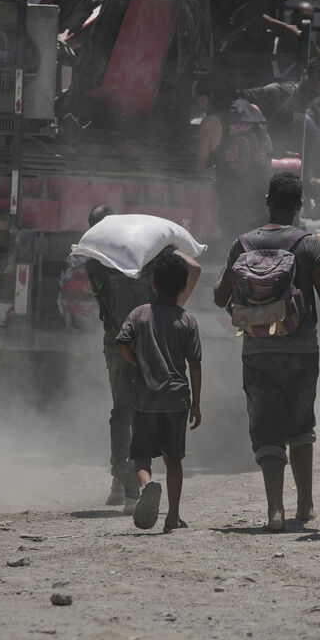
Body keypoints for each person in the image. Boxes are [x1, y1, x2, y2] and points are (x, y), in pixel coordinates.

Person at [213, 172, 320, 531]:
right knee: (301, 424)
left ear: (268, 200)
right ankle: (305, 504)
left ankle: (275, 510)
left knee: (266, 427)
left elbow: (220, 297)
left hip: (256, 351)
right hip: (302, 350)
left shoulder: (242, 244)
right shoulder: (309, 245)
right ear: (300, 206)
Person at [83, 205, 202, 511]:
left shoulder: (94, 265)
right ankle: (134, 489)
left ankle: (121, 485)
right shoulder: (146, 254)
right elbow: (194, 267)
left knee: (122, 411)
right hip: (152, 341)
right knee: (144, 412)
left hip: (118, 344)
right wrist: (174, 307)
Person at [115, 252, 203, 534]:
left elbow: (121, 343)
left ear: (153, 285)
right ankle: (173, 517)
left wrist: (139, 362)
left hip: (146, 397)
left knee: (141, 456)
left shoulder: (139, 314)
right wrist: (197, 404)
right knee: (173, 458)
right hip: (177, 398)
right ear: (181, 288)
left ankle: (145, 485)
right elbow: (195, 365)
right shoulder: (187, 321)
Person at [195, 78, 273, 242]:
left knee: (236, 245)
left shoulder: (211, 122)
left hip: (234, 196)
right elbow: (269, 149)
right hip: (263, 189)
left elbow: (201, 165)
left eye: (203, 100)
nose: (201, 106)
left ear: (213, 96)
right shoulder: (254, 109)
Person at [238, 56, 320, 161]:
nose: (317, 90)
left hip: (281, 163)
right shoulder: (279, 92)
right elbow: (239, 98)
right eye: (314, 82)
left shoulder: (308, 108)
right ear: (304, 74)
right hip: (256, 159)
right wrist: (262, 131)